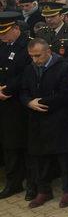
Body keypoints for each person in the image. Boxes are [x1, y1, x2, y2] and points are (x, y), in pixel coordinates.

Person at [20, 38, 68, 208]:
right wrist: (29, 103)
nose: (35, 60)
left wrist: (42, 102)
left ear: (48, 52)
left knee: (64, 157)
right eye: (31, 56)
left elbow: (66, 93)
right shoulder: (30, 69)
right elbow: (23, 91)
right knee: (39, 157)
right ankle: (43, 191)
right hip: (37, 119)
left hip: (58, 118)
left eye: (38, 56)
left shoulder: (64, 67)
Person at [0, 13, 34, 200]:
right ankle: (13, 183)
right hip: (4, 103)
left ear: (15, 28)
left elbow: (26, 73)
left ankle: (32, 183)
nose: (2, 36)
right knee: (9, 145)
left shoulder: (27, 46)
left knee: (26, 145)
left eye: (5, 32)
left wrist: (8, 89)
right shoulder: (3, 46)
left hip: (20, 102)